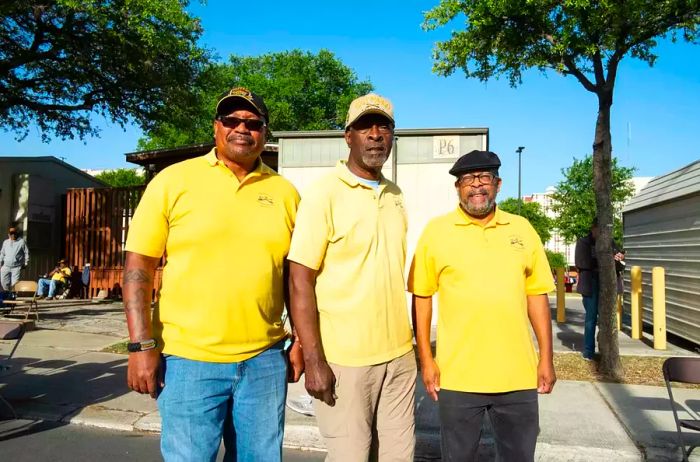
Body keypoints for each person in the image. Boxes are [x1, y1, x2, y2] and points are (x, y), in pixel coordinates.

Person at [123, 87, 302, 462]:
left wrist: (300, 340)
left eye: (252, 123)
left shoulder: (285, 193)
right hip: (188, 361)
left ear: (265, 132)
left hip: (265, 362)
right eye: (231, 120)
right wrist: (141, 346)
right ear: (216, 127)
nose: (242, 129)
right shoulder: (174, 181)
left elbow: (293, 277)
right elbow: (139, 268)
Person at [289, 93, 416, 461]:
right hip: (345, 361)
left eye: (384, 127)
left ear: (392, 137)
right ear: (348, 136)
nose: (375, 135)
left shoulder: (396, 194)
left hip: (399, 357)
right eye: (365, 126)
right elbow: (300, 280)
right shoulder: (323, 194)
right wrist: (314, 360)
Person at [408, 150, 556, 462]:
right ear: (457, 188)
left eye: (484, 177)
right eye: (468, 180)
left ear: (498, 184)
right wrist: (427, 360)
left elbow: (538, 296)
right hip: (458, 378)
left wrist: (546, 359)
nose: (477, 186)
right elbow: (421, 297)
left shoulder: (522, 230)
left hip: (517, 377)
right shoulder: (437, 232)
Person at [575, 218, 625, 360]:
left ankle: (607, 351)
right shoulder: (583, 242)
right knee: (591, 318)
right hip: (591, 284)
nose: (603, 232)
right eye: (600, 229)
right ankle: (588, 351)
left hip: (608, 284)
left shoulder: (611, 243)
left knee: (607, 319)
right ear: (593, 228)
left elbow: (620, 266)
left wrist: (618, 259)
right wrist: (604, 258)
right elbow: (581, 262)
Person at [0, 226, 29, 293]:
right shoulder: (5, 242)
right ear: (8, 234)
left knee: (15, 284)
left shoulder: (21, 242)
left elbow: (26, 252)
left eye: (14, 233)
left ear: (17, 233)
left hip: (16, 267)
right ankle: (7, 295)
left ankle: (13, 298)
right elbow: (2, 253)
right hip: (6, 266)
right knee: (3, 282)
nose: (13, 234)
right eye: (11, 233)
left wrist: (26, 263)